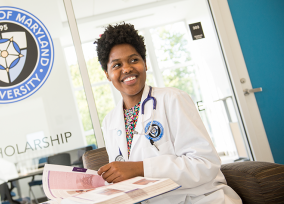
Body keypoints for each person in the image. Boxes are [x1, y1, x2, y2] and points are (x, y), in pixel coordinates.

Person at [94, 23, 242, 204]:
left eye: (134, 60)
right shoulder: (110, 121)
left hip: (198, 199)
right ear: (107, 74)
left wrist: (139, 168)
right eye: (117, 65)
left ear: (145, 63)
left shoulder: (173, 99)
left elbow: (205, 164)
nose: (126, 69)